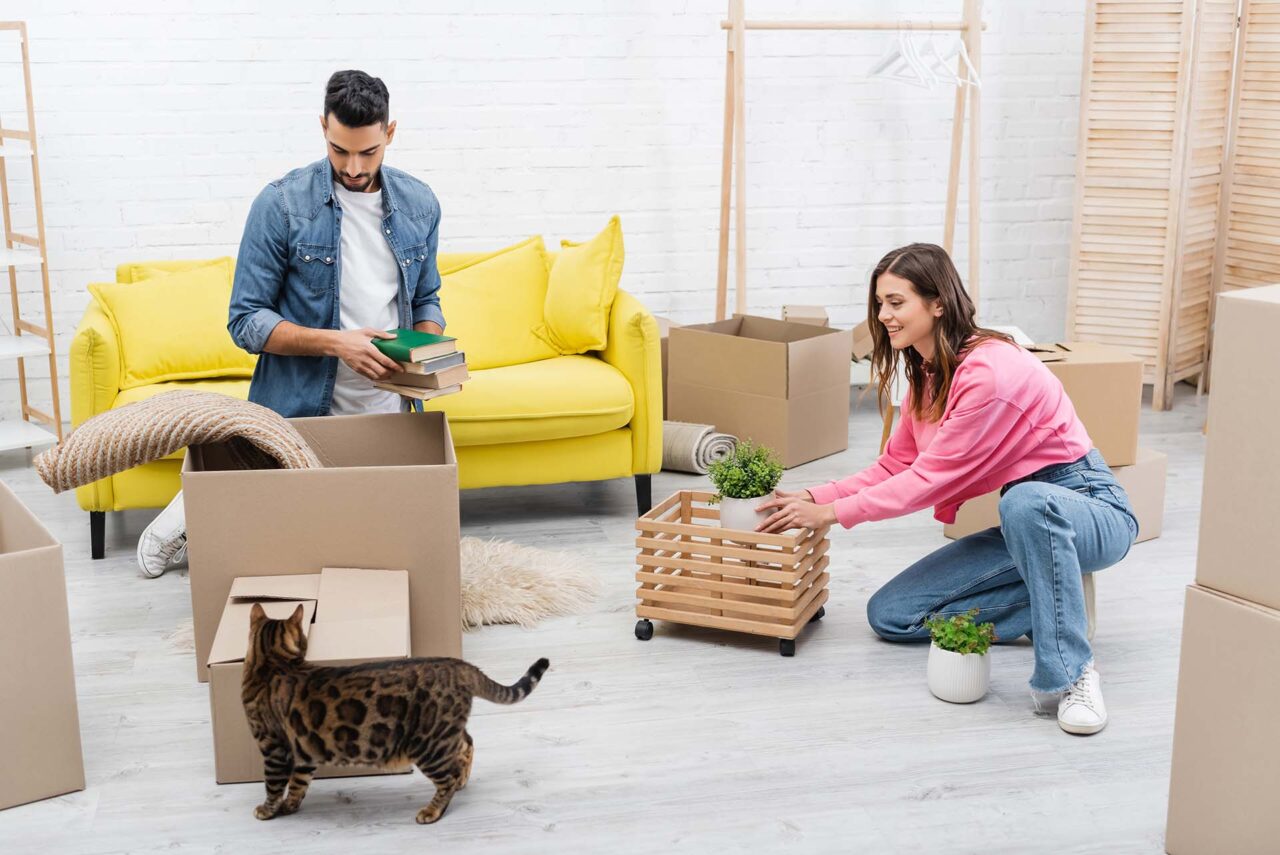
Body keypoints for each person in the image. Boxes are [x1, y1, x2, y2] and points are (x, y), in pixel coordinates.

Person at [756, 243, 1137, 736]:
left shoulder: (989, 372)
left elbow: (928, 480)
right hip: (1026, 522)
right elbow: (897, 465)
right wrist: (817, 496)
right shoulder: (929, 374)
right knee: (892, 615)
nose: (883, 315)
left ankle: (1072, 673)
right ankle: (1055, 597)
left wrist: (833, 516)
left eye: (896, 302)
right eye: (879, 304)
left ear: (938, 303)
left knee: (1025, 502)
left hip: (1085, 505)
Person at [136, 69, 445, 577]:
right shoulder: (281, 205)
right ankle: (185, 514)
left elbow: (427, 297)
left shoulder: (420, 204)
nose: (352, 166)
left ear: (390, 133)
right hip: (303, 405)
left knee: (366, 553)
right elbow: (245, 321)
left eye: (367, 152)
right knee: (285, 553)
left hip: (389, 405)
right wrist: (337, 344)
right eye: (338, 149)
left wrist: (424, 355)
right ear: (323, 126)